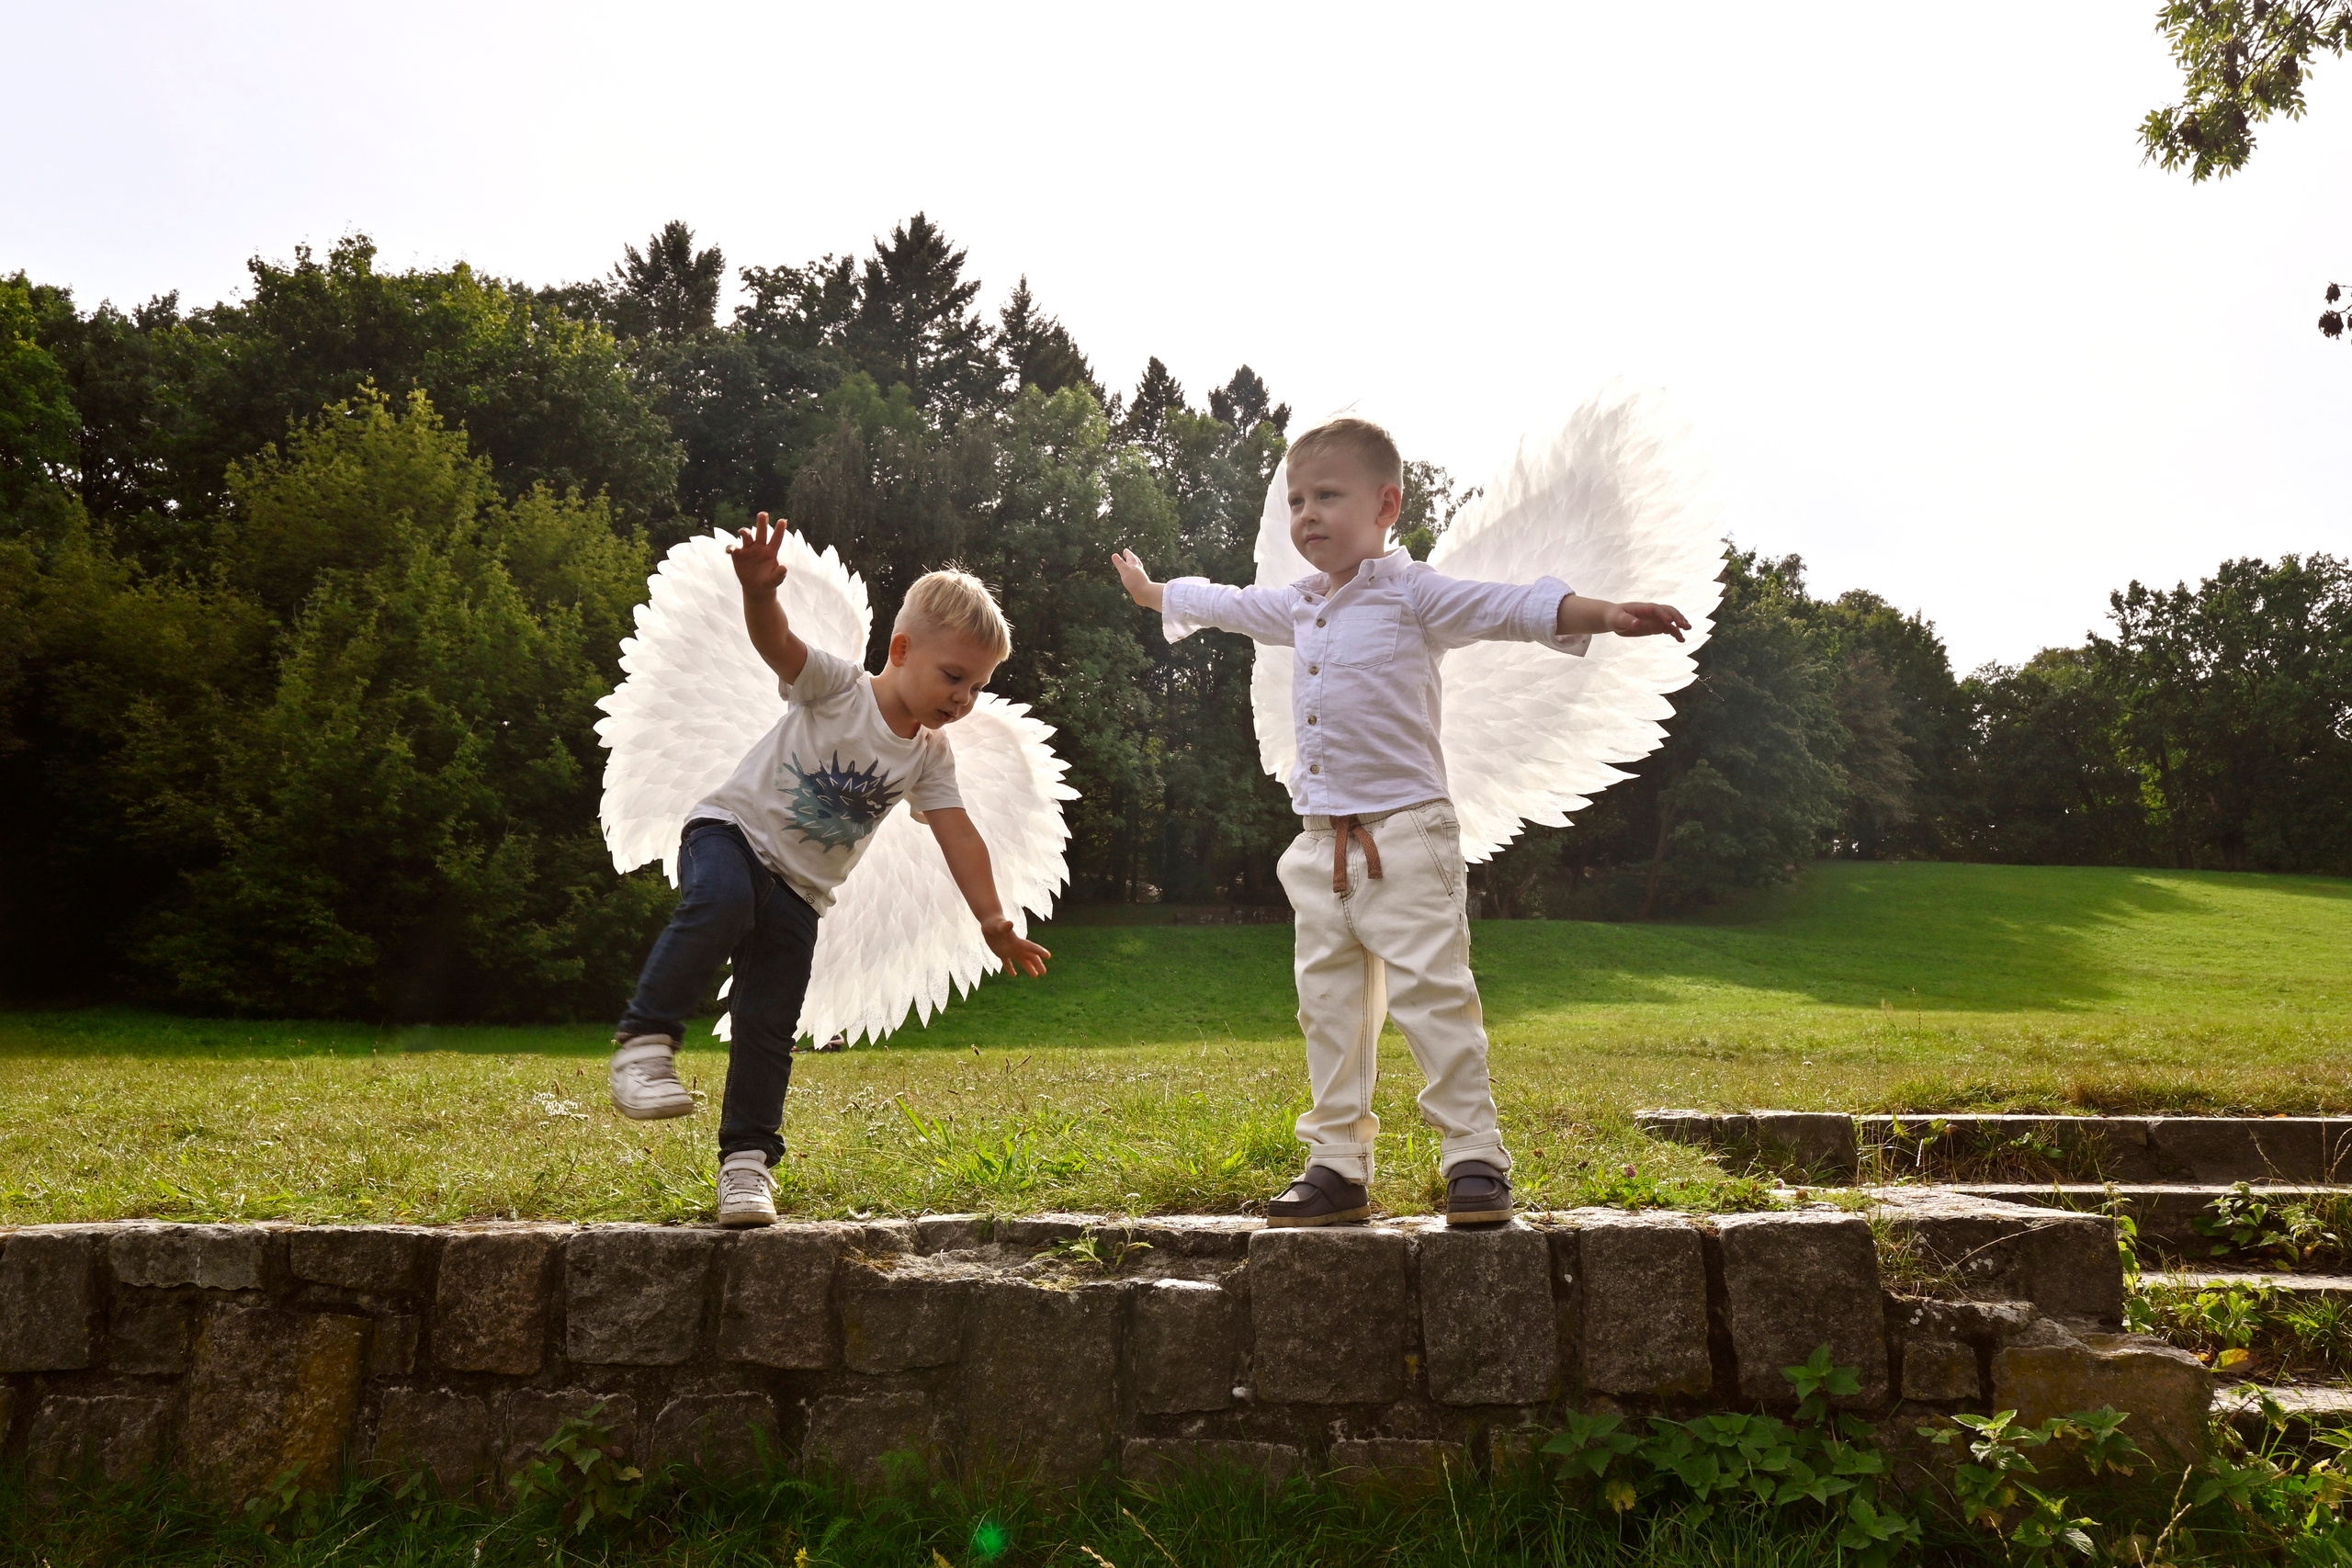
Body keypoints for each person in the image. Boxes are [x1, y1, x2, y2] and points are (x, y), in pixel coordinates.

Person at [1112, 418, 1689, 1226]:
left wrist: (1603, 612)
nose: (1307, 515)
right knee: (1330, 1006)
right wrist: (1157, 594)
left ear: (1386, 504)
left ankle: (1475, 1158)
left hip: (1407, 837)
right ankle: (1338, 1165)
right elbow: (1229, 603)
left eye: (1328, 496)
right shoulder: (1300, 605)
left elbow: (1510, 606)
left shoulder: (1414, 594)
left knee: (1434, 997)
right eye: (1297, 501)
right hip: (1320, 847)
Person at [610, 513, 1051, 1226]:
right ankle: (645, 1043)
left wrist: (992, 918)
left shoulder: (929, 755)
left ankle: (747, 1166)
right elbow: (776, 643)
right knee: (718, 905)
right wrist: (759, 592)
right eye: (954, 677)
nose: (963, 698)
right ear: (901, 649)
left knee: (769, 1021)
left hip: (800, 891)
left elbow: (959, 834)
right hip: (732, 834)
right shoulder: (839, 687)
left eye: (976, 686)